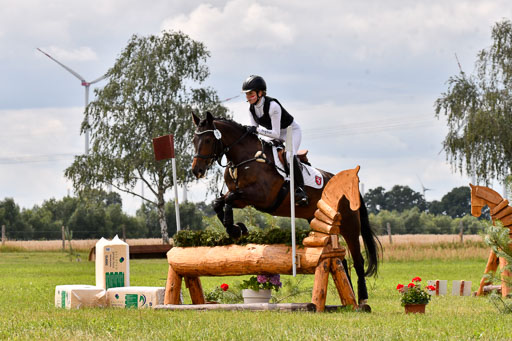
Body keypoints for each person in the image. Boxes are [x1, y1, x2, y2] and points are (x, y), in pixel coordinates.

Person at [242, 75, 309, 206]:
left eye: (251, 93)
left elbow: (275, 133)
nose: (248, 97)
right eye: (246, 94)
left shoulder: (273, 106)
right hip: (275, 134)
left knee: (289, 155)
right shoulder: (252, 109)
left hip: (290, 131)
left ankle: (301, 190)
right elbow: (254, 130)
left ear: (260, 93)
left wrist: (255, 130)